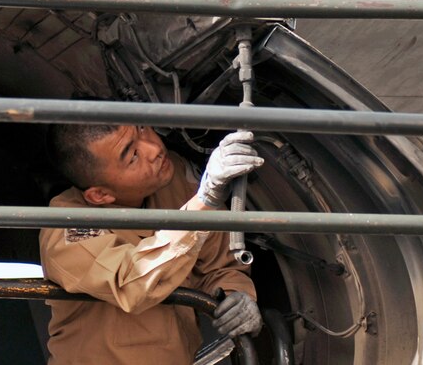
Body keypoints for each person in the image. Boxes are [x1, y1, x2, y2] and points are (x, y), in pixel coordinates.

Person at [39, 124, 264, 365]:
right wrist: (204, 201)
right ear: (100, 195)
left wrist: (237, 298)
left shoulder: (172, 175)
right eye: (133, 155)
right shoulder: (66, 229)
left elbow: (218, 265)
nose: (154, 148)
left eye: (142, 128)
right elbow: (133, 282)